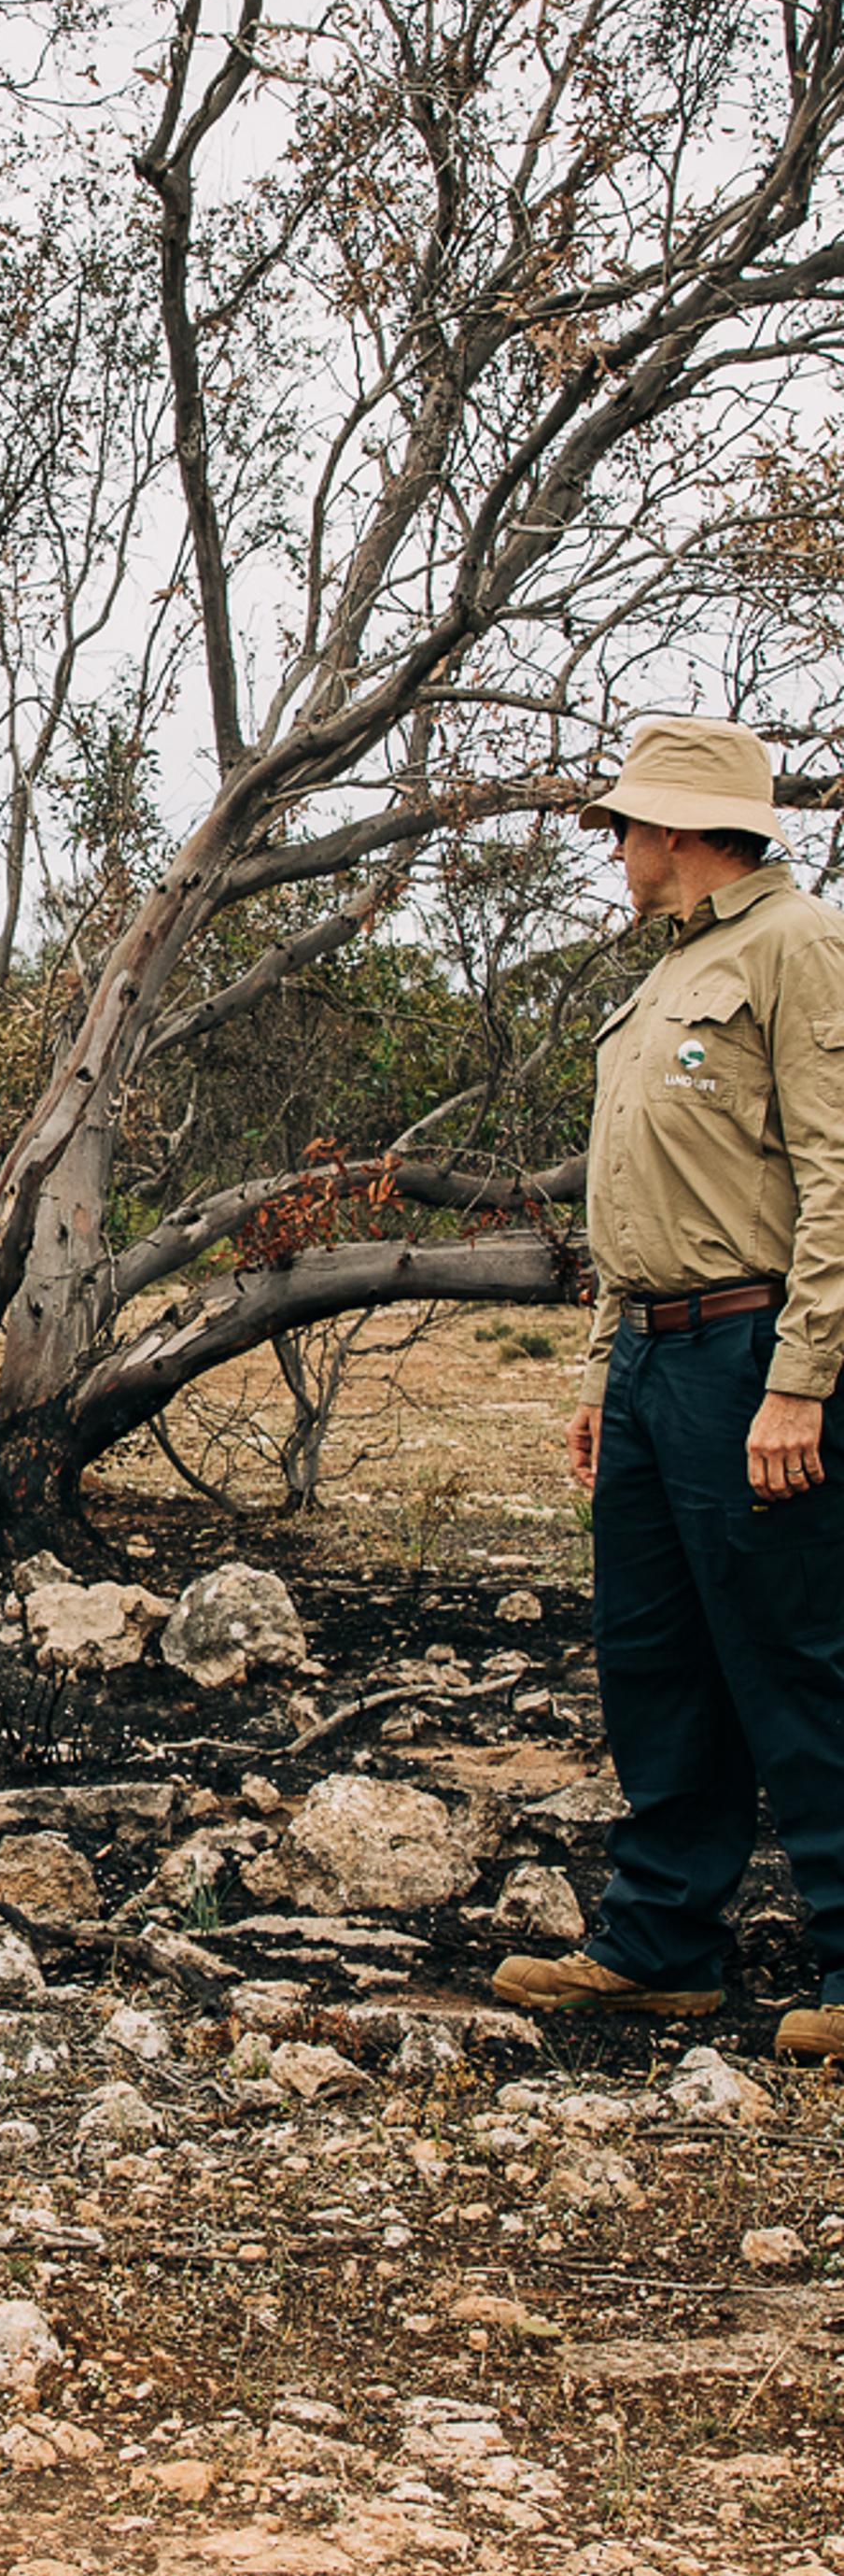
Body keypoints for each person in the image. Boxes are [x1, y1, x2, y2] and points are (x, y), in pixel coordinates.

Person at [492, 714, 844, 2056]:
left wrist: (802, 1379)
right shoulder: (669, 975)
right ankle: (660, 1943)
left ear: (681, 830)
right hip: (651, 1354)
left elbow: (838, 1171)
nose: (618, 850)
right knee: (655, 1660)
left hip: (753, 1354)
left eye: (628, 825)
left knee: (795, 1653)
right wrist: (599, 1369)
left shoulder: (799, 948)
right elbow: (636, 1205)